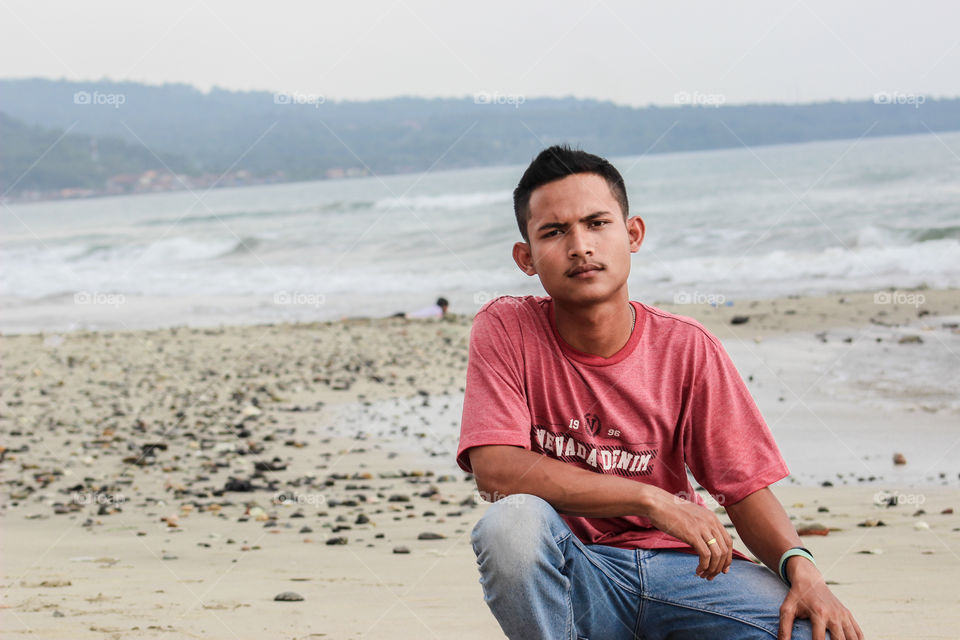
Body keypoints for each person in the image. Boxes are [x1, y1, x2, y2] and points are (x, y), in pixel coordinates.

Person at [456, 145, 863, 640]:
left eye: (597, 223)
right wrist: (653, 500)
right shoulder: (507, 328)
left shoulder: (686, 346)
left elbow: (744, 486)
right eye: (554, 232)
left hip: (687, 573)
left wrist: (802, 568)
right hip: (578, 575)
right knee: (510, 525)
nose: (580, 246)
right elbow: (497, 470)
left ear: (633, 234)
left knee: (810, 631)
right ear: (526, 257)